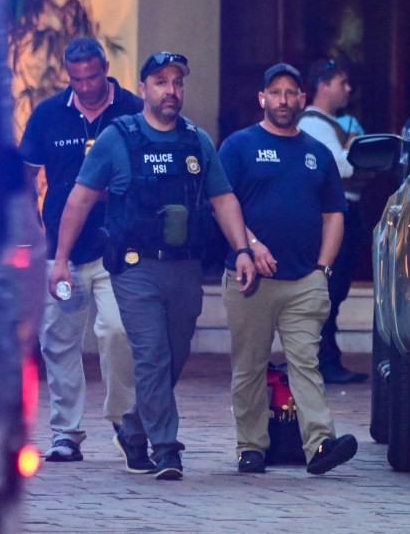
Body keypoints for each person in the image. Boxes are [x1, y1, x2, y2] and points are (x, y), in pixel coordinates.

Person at [48, 51, 256, 481]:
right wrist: (61, 260)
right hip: (134, 268)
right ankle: (166, 447)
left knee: (175, 354)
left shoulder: (197, 141)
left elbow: (223, 199)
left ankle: (133, 427)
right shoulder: (117, 138)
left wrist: (242, 250)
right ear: (142, 89)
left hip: (184, 267)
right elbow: (80, 199)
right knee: (152, 355)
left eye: (177, 82)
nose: (171, 90)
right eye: (161, 82)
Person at [219, 62, 359, 475]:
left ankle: (319, 445)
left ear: (302, 99)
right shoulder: (239, 146)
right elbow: (223, 205)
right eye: (275, 92)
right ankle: (251, 447)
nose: (283, 100)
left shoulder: (317, 153)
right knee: (249, 366)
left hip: (304, 281)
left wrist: (322, 269)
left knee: (306, 363)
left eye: (290, 93)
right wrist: (250, 246)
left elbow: (335, 213)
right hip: (250, 281)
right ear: (262, 98)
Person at [19, 36, 143, 463]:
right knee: (58, 341)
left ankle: (124, 423)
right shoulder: (48, 114)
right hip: (60, 252)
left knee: (117, 331)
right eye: (77, 79)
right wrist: (34, 234)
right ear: (66, 75)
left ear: (106, 67)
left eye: (93, 76)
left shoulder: (131, 109)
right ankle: (65, 433)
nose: (86, 86)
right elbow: (25, 177)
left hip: (117, 249)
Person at [297, 59, 369, 384]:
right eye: (342, 82)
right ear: (323, 85)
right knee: (328, 288)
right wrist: (354, 150)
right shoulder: (314, 125)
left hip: (344, 214)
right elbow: (338, 168)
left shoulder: (331, 124)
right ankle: (322, 361)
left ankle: (325, 358)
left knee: (335, 290)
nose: (348, 89)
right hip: (330, 217)